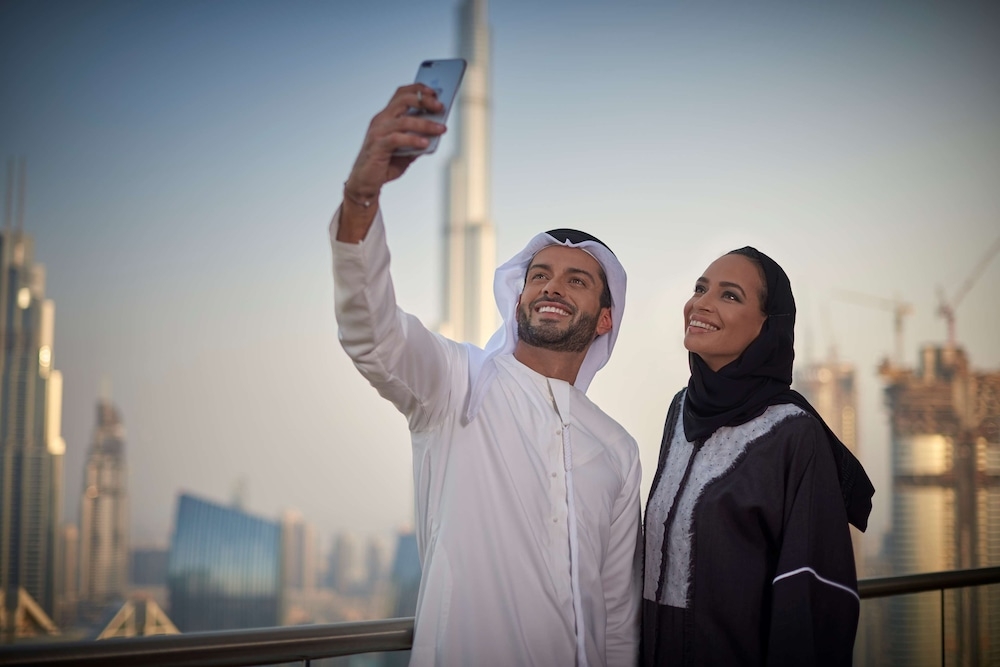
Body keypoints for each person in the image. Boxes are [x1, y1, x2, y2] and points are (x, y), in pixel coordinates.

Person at [330, 83, 642, 666]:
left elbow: (618, 615)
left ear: (604, 320)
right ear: (518, 297)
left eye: (577, 280)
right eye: (540, 274)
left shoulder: (618, 449)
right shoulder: (458, 385)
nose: (552, 286)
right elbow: (371, 331)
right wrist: (362, 193)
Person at [641, 247, 875, 666]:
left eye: (729, 295)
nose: (702, 303)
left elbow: (813, 589)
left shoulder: (792, 432)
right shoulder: (680, 410)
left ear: (769, 328)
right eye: (700, 288)